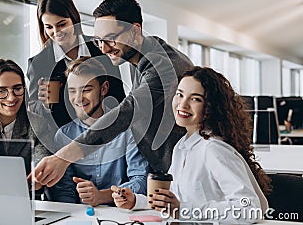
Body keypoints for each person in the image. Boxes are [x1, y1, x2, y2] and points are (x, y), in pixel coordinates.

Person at [33, 0, 193, 187]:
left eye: (110, 39)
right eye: (99, 40)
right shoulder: (140, 55)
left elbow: (126, 112)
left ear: (135, 31)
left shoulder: (162, 66)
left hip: (187, 166)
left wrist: (63, 158)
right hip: (170, 165)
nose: (104, 48)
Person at [112, 66, 271, 224]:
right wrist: (135, 201)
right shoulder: (182, 146)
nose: (183, 104)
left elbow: (250, 208)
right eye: (180, 95)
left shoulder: (213, 149)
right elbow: (173, 199)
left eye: (195, 99)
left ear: (211, 106)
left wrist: (185, 209)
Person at [49, 57, 148, 206]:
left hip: (122, 214)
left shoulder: (128, 129)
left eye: (87, 90)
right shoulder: (64, 135)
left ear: (104, 89)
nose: (78, 98)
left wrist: (103, 196)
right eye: (72, 91)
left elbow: (141, 181)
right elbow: (64, 193)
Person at [26, 0, 125, 134]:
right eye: (49, 27)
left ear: (73, 19)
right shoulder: (38, 63)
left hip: (106, 130)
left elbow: (118, 94)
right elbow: (34, 112)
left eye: (61, 24)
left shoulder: (100, 47)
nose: (56, 32)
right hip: (64, 136)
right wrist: (45, 105)